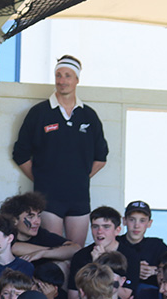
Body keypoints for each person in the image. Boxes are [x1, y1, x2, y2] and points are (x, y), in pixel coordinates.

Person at [12, 54, 108, 246]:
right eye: (58, 75)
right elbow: (20, 153)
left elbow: (101, 157)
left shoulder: (88, 115)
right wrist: (42, 178)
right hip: (48, 198)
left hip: (79, 197)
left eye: (67, 76)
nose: (62, 81)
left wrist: (80, 177)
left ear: (77, 79)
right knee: (53, 250)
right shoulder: (39, 113)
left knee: (76, 251)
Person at [66, 206, 126, 299]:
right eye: (95, 226)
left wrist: (101, 263)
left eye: (106, 227)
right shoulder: (80, 256)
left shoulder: (129, 255)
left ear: (117, 230)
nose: (99, 231)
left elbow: (125, 298)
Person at [118, 200, 167, 291]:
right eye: (132, 220)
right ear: (124, 221)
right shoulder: (114, 243)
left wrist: (157, 271)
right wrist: (134, 269)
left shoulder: (156, 245)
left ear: (149, 223)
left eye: (142, 220)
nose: (136, 226)